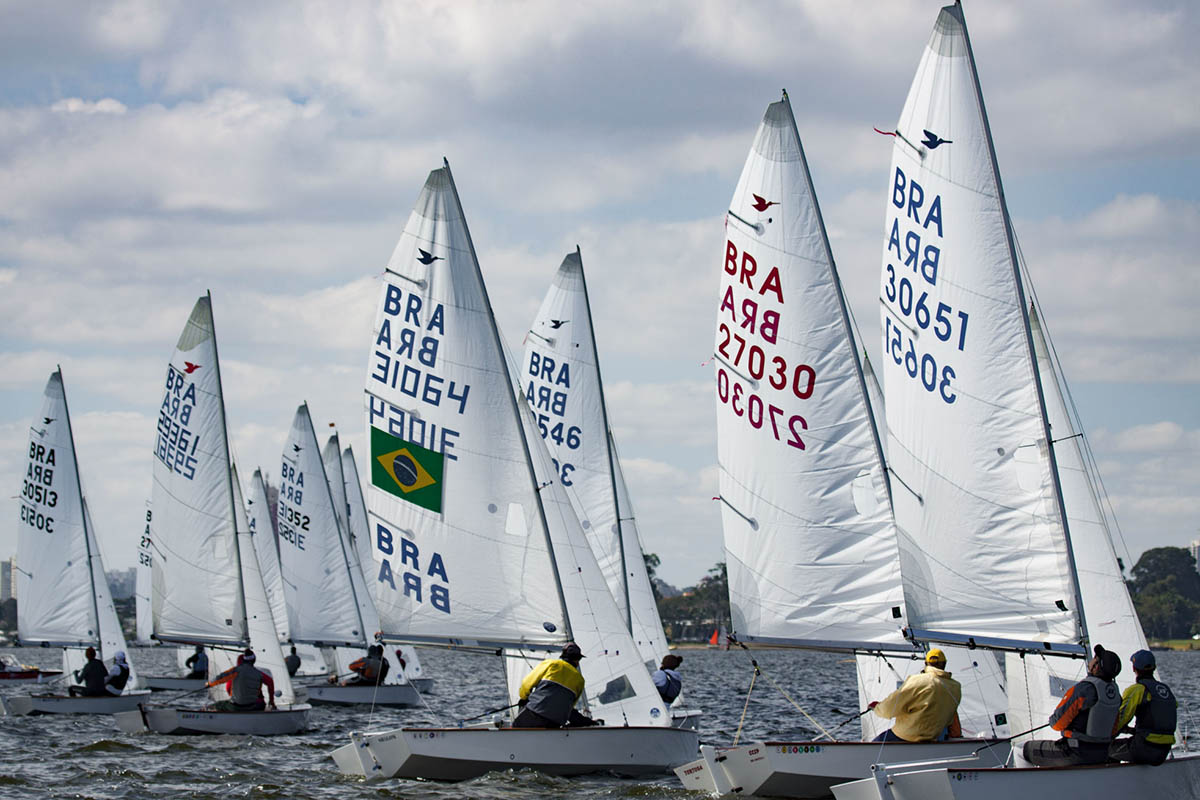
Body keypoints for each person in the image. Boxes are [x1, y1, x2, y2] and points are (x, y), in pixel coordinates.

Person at [1023, 644, 1122, 766]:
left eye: (1095, 658)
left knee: (1023, 749)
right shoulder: (1117, 696)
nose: (1092, 659)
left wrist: (1052, 720)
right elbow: (1113, 730)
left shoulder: (1083, 690)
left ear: (1096, 667)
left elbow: (1057, 724)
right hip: (1104, 753)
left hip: (1076, 753)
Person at [868, 648, 962, 742]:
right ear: (945, 664)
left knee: (872, 748)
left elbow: (888, 709)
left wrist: (877, 707)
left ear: (926, 664)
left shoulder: (917, 680)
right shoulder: (955, 687)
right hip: (933, 739)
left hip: (905, 737)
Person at [1109, 649, 1176, 766]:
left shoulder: (1137, 689)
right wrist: (1131, 730)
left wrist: (1104, 736)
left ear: (1134, 669)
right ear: (1154, 668)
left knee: (1106, 750)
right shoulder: (1166, 690)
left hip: (1145, 748)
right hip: (1164, 751)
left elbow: (1121, 719)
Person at [512, 642, 600, 728]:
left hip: (534, 713)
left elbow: (526, 684)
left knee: (515, 732)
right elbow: (569, 706)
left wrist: (524, 698)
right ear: (577, 660)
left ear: (563, 655)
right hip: (555, 722)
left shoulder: (551, 664)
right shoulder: (580, 680)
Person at [210, 649, 276, 712]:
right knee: (261, 704)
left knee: (218, 705)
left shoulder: (235, 671)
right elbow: (270, 682)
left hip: (236, 707)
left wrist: (209, 684)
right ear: (254, 660)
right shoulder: (259, 674)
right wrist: (271, 701)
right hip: (253, 706)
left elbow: (221, 680)